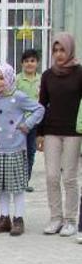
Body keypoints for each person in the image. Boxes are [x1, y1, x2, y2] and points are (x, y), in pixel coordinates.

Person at [0, 64, 44, 236]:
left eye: (1, 78)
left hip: (16, 147)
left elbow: (39, 109)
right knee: (3, 186)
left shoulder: (18, 96)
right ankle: (5, 218)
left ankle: (18, 219)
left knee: (17, 187)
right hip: (0, 148)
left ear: (10, 78)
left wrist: (27, 125)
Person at [37, 32, 82, 239]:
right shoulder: (47, 75)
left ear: (70, 49)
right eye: (55, 50)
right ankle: (56, 217)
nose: (58, 54)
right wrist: (40, 133)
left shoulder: (80, 73)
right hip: (52, 131)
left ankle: (71, 220)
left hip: (73, 132)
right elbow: (42, 105)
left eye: (62, 49)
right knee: (52, 176)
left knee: (70, 178)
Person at [16, 49, 41, 192]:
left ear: (37, 63)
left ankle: (26, 180)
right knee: (19, 152)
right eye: (26, 61)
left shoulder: (41, 80)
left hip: (35, 122)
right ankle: (17, 180)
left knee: (31, 151)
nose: (29, 64)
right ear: (22, 63)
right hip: (20, 123)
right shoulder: (18, 80)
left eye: (32, 61)